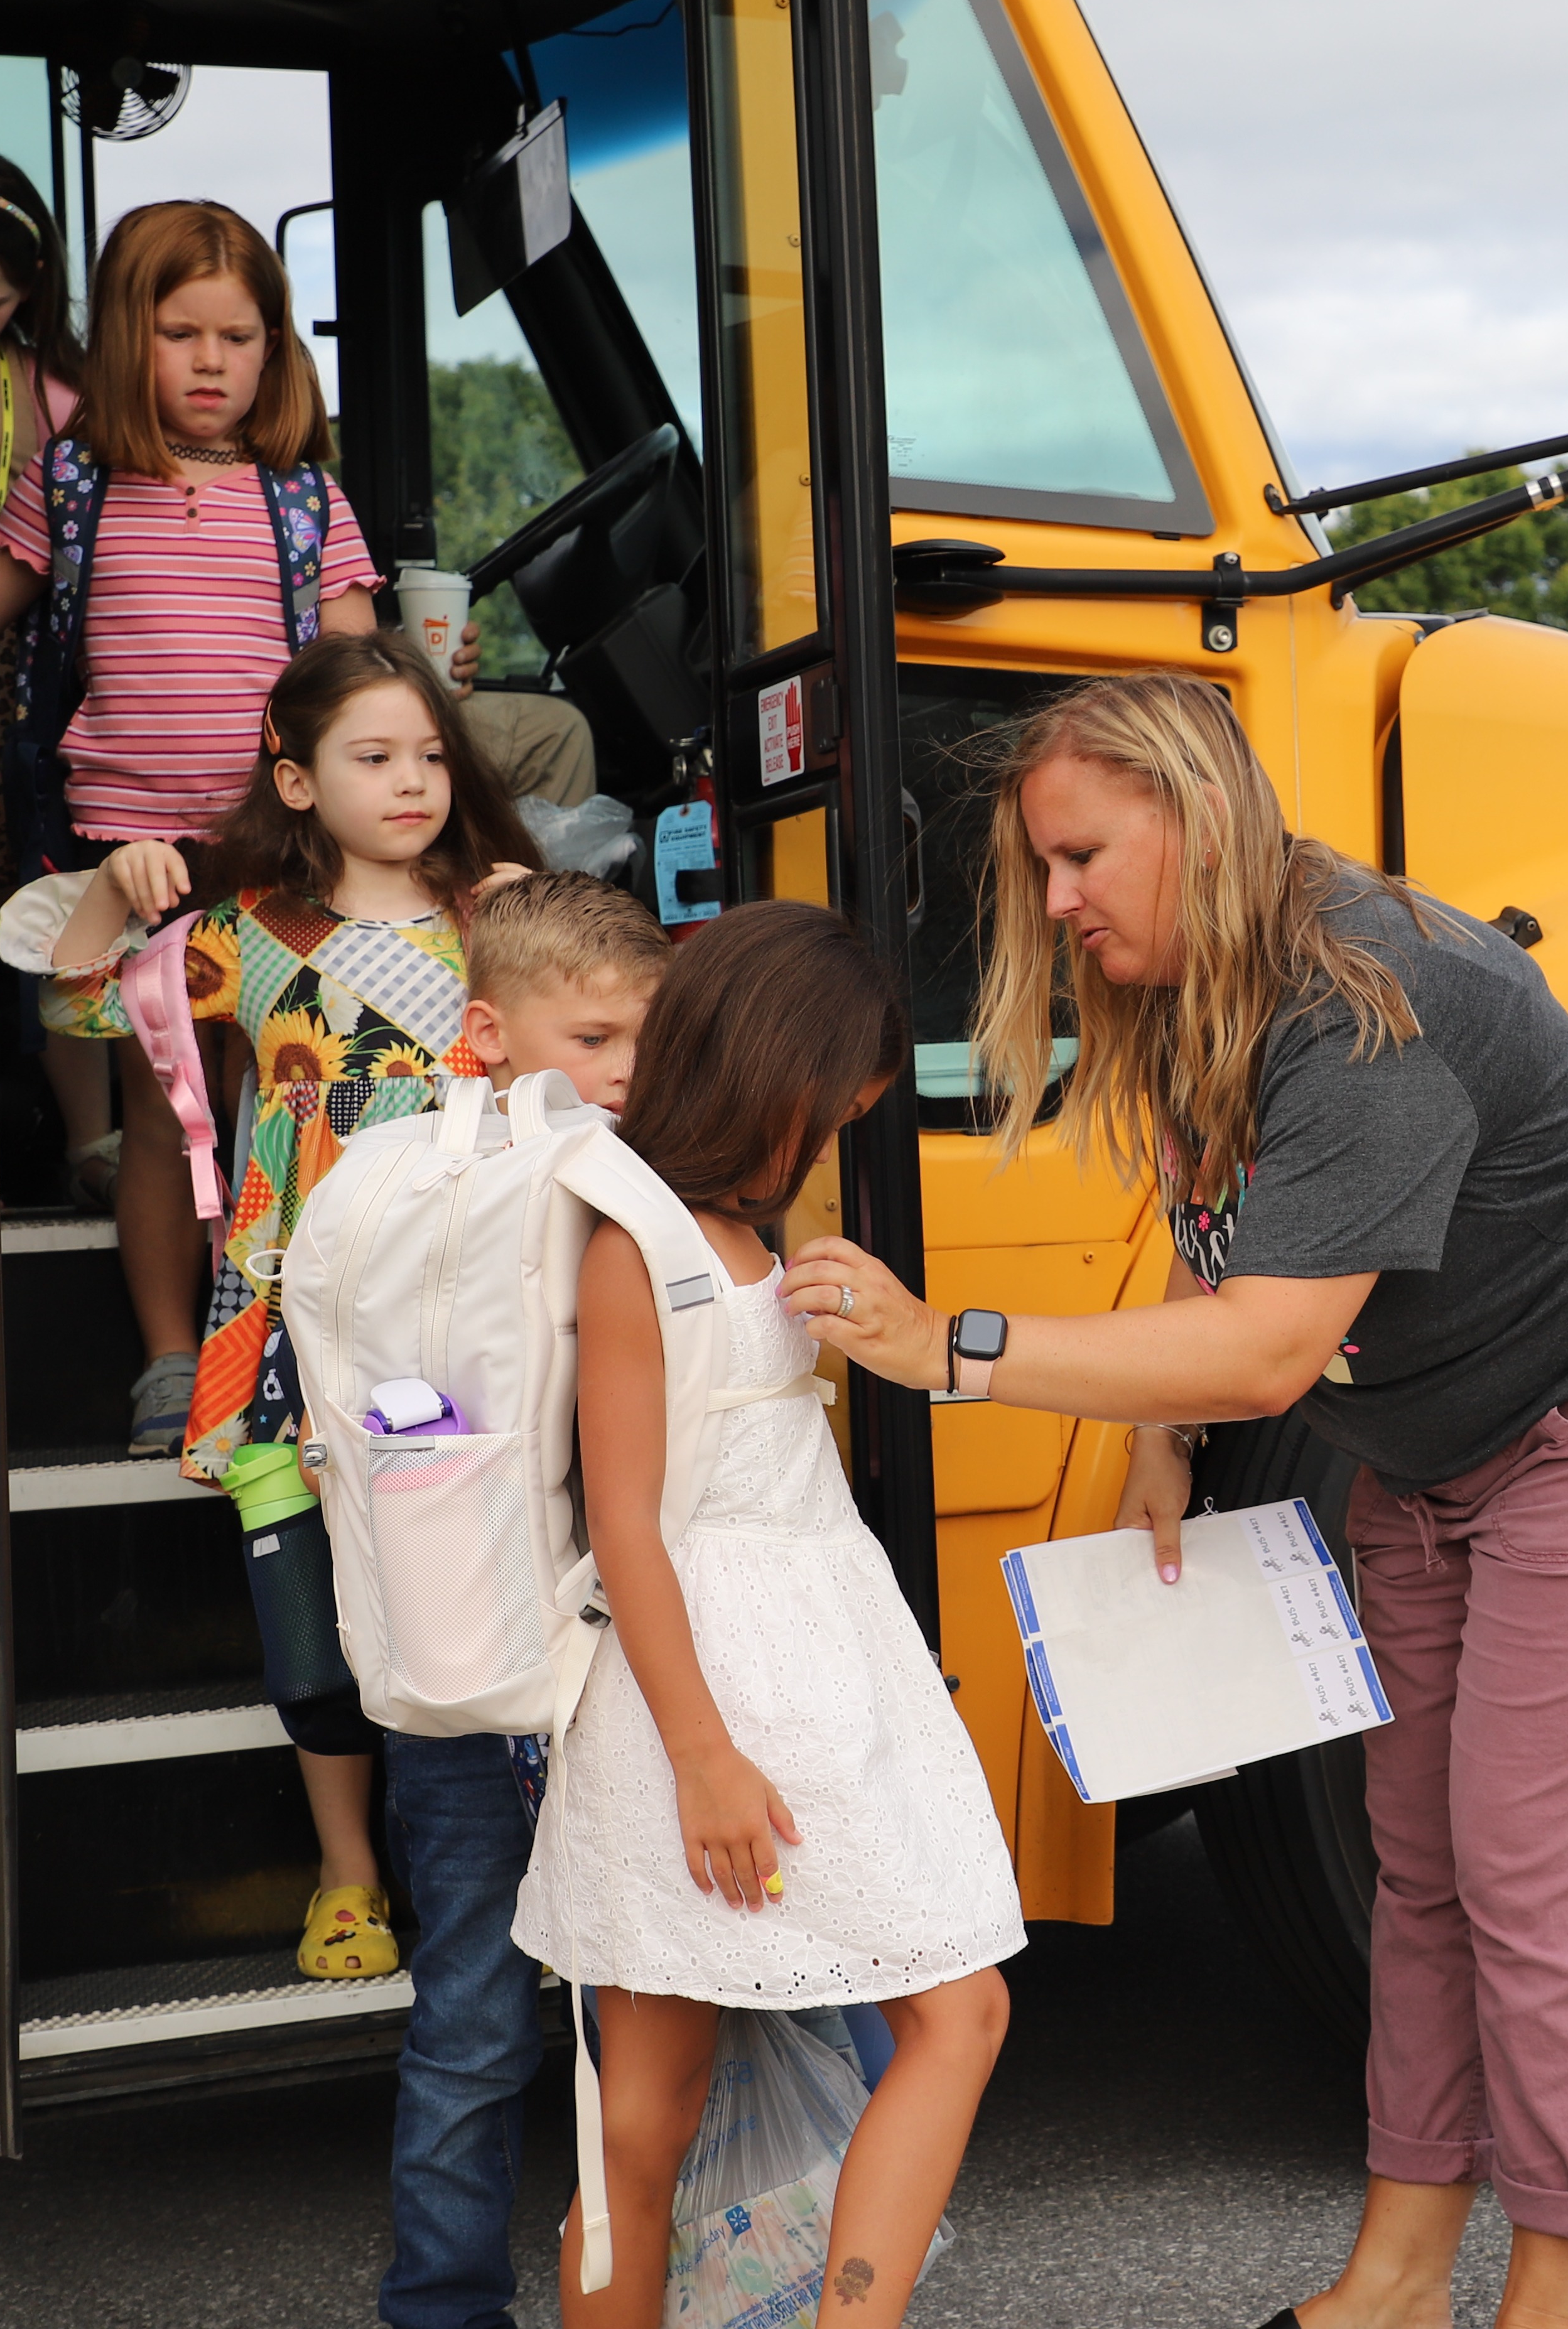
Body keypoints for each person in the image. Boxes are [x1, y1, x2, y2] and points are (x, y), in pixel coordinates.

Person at [786, 673, 1568, 2329]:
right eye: (1041, 866)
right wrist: (1158, 1432)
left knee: (1554, 1874)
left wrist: (945, 1349)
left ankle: (1557, 2294)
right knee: (1426, 1867)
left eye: (1083, 856)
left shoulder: (1367, 1000)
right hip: (1439, 1440)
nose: (1056, 901)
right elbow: (1222, 1245)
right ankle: (1398, 2274)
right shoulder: (1198, 979)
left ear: (1190, 814)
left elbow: (1263, 1350)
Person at [509, 900, 1021, 2329]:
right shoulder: (648, 1242)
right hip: (735, 1695)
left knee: (645, 2127)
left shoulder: (717, 1225)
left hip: (774, 1674)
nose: (863, 1106)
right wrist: (707, 1754)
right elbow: (629, 1523)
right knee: (948, 2013)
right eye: (852, 1080)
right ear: (782, 1068)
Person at [40, 634, 535, 1982]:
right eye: (375, 757)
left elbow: (614, 1043)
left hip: (461, 1314)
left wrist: (542, 914)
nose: (415, 780)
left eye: (431, 753)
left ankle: (528, 1867)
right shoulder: (249, 932)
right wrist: (105, 883)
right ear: (298, 781)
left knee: (478, 1588)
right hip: (289, 1325)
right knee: (307, 1616)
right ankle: (348, 1871)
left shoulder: (503, 918)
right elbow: (82, 1006)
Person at [0, 197, 394, 1459]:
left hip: (274, 851)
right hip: (131, 853)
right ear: (123, 338)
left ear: (277, 348)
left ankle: (264, 1338)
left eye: (242, 334)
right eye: (181, 332)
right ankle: (169, 1354)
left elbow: (362, 674)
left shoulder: (305, 501)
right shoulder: (73, 483)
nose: (214, 362)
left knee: (278, 1097)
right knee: (167, 1113)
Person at [380, 870, 672, 2329]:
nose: (626, 1074)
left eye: (645, 1044)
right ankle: (441, 2303)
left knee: (594, 2003)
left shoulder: (426, 1183)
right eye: (596, 1039)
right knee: (482, 2013)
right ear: (486, 1033)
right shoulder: (441, 1184)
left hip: (515, 1649)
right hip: (495, 1664)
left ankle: (643, 2276)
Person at [0, 150, 111, 1204]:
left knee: (38, 892)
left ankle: (84, 1137)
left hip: (23, 672)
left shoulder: (60, 396)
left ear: (32, 296)